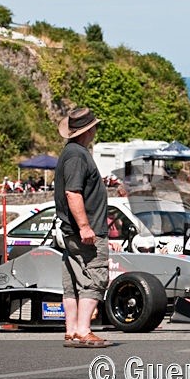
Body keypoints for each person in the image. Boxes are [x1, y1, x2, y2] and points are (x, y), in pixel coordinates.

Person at [54, 107, 114, 349]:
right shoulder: (78, 156)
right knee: (95, 278)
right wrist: (85, 227)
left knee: (71, 281)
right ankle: (83, 330)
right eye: (94, 127)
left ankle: (71, 330)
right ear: (88, 131)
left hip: (72, 231)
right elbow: (73, 192)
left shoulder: (70, 153)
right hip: (85, 232)